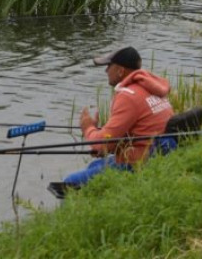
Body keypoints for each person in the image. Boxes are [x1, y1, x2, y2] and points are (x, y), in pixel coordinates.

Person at [59, 46, 174, 190]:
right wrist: (103, 143)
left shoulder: (128, 96)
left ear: (120, 71)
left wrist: (88, 128)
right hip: (154, 152)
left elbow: (103, 144)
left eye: (108, 66)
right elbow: (117, 140)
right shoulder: (151, 89)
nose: (106, 71)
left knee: (69, 183)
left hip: (138, 161)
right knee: (95, 165)